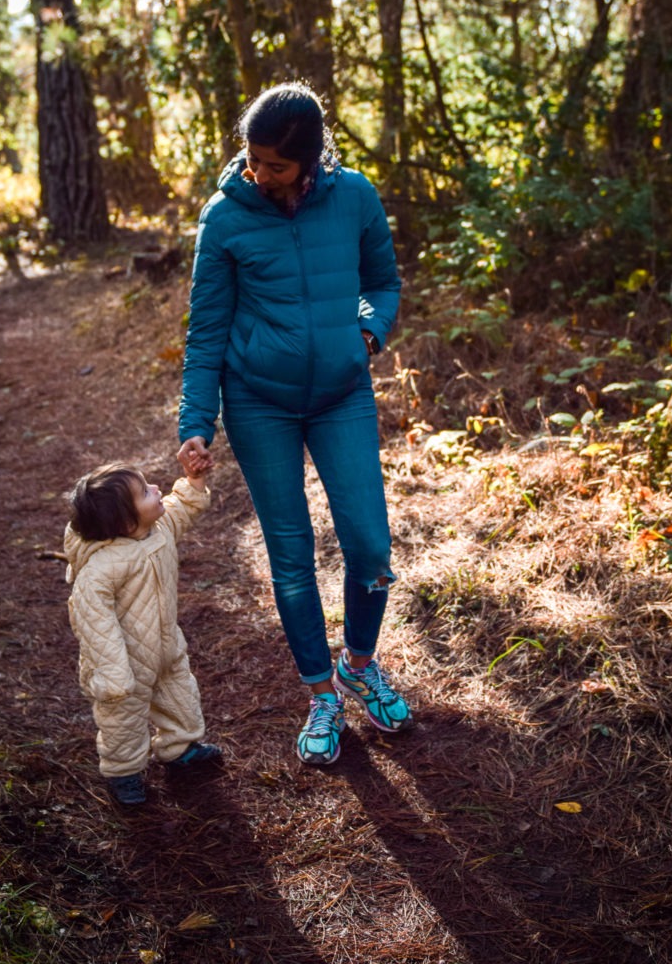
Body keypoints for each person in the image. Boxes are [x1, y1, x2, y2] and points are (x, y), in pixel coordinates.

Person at [177, 81, 413, 767]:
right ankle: (320, 694)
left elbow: (384, 284)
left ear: (309, 160)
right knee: (290, 556)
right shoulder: (225, 219)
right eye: (251, 159)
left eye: (274, 164)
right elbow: (206, 332)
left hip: (342, 393)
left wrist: (367, 336)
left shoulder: (357, 198)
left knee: (369, 546)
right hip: (259, 404)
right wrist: (198, 420)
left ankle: (359, 664)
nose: (258, 173)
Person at [64, 462, 221, 805]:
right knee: (123, 722)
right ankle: (124, 773)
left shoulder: (159, 528)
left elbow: (183, 508)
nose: (155, 488)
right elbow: (94, 622)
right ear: (125, 521)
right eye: (144, 491)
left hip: (166, 648)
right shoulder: (102, 568)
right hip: (123, 665)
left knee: (180, 699)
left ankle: (179, 749)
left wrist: (194, 480)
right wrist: (113, 674)